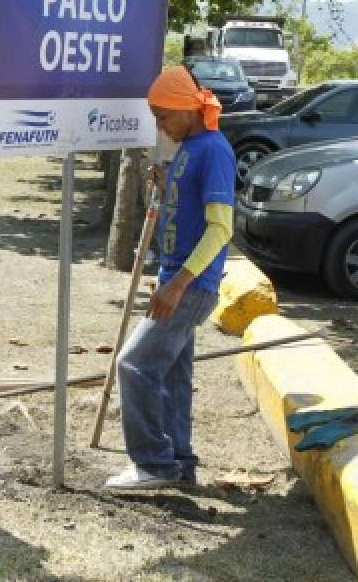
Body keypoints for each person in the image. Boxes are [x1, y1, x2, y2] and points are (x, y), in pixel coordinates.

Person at [105, 65, 236, 491]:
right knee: (174, 378)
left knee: (134, 365)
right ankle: (179, 462)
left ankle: (153, 466)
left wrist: (178, 283)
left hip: (191, 285)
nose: (160, 125)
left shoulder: (214, 150)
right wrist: (166, 185)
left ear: (187, 109)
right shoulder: (189, 146)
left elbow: (221, 228)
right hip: (175, 278)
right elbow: (188, 207)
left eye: (164, 116)